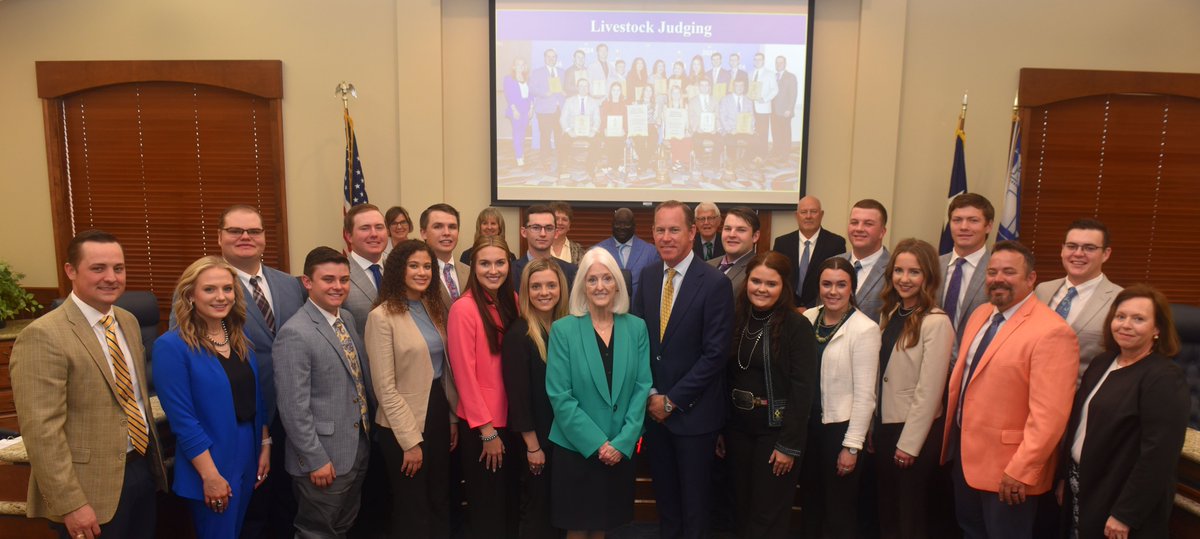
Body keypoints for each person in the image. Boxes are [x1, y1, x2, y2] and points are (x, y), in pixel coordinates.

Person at [11, 230, 167, 539]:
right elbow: (42, 432)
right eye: (98, 268)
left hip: (140, 468)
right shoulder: (44, 335)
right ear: (71, 271)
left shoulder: (128, 320)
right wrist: (71, 504)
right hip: (89, 490)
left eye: (118, 268)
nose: (111, 277)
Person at [941, 240, 1079, 538]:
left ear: (1031, 279)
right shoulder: (980, 315)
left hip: (1010, 471)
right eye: (992, 272)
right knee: (970, 532)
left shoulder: (1052, 332)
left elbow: (1049, 417)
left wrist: (1021, 469)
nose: (997, 279)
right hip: (965, 460)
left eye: (1008, 272)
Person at [190, 204, 305, 538]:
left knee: (287, 507)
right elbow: (192, 360)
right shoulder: (205, 288)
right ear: (219, 237)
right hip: (240, 423)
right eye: (235, 231)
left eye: (254, 231)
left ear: (265, 238)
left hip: (291, 417)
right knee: (248, 516)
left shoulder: (289, 284)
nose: (245, 237)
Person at [631, 200, 734, 539]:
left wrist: (672, 400)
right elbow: (639, 344)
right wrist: (651, 395)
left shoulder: (715, 283)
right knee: (667, 507)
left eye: (674, 229)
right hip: (654, 414)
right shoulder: (645, 277)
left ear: (692, 232)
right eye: (659, 230)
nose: (666, 237)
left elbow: (715, 355)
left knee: (695, 509)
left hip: (694, 417)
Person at [1060, 284, 1190, 539]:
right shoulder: (1102, 362)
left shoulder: (1164, 378)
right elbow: (1078, 423)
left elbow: (1158, 456)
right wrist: (1065, 477)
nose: (1126, 325)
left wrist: (1126, 513)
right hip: (1082, 484)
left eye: (1138, 319)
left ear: (1157, 329)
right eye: (1120, 317)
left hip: (1118, 497)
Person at [154, 256, 270, 538]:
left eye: (227, 289)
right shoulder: (171, 346)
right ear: (190, 295)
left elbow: (255, 398)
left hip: (248, 450)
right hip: (210, 459)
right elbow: (184, 422)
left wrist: (265, 443)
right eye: (210, 289)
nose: (221, 297)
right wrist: (210, 476)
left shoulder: (239, 338)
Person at [546, 248, 654, 536]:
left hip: (620, 446)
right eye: (592, 280)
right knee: (579, 528)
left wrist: (623, 442)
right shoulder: (563, 330)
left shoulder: (636, 328)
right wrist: (597, 444)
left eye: (607, 278)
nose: (600, 286)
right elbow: (560, 395)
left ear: (618, 284)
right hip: (576, 449)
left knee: (605, 525)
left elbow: (642, 387)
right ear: (582, 285)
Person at [273, 247, 376, 538]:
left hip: (356, 447)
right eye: (328, 279)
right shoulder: (296, 332)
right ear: (308, 282)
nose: (338, 287)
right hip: (323, 458)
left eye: (344, 280)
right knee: (316, 532)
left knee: (342, 526)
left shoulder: (347, 320)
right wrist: (315, 458)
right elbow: (293, 408)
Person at [365, 239, 460, 538]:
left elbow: (443, 370)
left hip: (437, 410)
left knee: (439, 497)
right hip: (402, 422)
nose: (422, 272)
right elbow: (385, 388)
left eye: (427, 266)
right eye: (414, 266)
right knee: (413, 505)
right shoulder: (381, 317)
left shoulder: (433, 308)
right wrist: (409, 442)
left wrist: (452, 418)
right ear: (398, 270)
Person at [725, 252, 818, 538]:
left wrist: (788, 445)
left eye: (771, 283)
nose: (761, 289)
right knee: (740, 509)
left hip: (775, 433)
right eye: (756, 281)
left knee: (767, 515)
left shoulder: (797, 326)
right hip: (738, 430)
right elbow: (726, 377)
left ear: (784, 287)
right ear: (746, 282)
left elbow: (803, 389)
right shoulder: (737, 318)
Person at [873, 239, 954, 539]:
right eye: (899, 271)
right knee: (887, 509)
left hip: (911, 432)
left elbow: (930, 392)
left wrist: (909, 444)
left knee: (909, 515)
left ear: (928, 277)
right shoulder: (890, 314)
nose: (904, 279)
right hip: (884, 426)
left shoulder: (937, 322)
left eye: (914, 272)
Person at [798, 257, 881, 539]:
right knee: (810, 504)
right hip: (807, 428)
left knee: (838, 511)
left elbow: (866, 395)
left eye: (841, 285)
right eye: (827, 284)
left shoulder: (865, 329)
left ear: (852, 288)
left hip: (840, 431)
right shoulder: (807, 318)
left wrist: (852, 446)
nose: (833, 291)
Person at [447, 235, 522, 537]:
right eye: (485, 263)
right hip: (485, 426)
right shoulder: (463, 309)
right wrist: (487, 430)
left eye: (500, 262)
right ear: (473, 267)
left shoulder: (512, 301)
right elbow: (463, 375)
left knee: (509, 504)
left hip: (513, 420)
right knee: (487, 508)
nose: (494, 270)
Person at [502, 258, 570, 539]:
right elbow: (518, 397)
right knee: (537, 511)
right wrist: (532, 447)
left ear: (561, 289)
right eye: (536, 286)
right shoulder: (519, 333)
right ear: (526, 291)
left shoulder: (566, 329)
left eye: (551, 285)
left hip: (565, 438)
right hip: (538, 441)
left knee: (560, 511)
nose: (544, 292)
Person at [1034, 218, 1122, 381]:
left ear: (1106, 254)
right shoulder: (1042, 290)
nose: (1078, 253)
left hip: (1082, 394)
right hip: (1032, 386)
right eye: (1072, 246)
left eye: (1089, 248)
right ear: (1062, 250)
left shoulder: (1120, 300)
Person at [937, 193, 995, 347]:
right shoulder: (933, 265)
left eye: (973, 220)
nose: (964, 227)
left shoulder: (997, 271)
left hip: (975, 362)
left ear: (989, 226)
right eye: (957, 220)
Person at [772, 196, 847, 308]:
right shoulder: (782, 243)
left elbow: (836, 281)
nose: (808, 216)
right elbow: (777, 278)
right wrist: (791, 308)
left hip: (821, 309)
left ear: (821, 215)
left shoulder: (836, 244)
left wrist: (809, 309)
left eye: (813, 212)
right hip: (786, 309)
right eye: (803, 212)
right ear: (796, 216)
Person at [838, 199, 891, 322]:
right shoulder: (832, 263)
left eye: (868, 224)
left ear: (882, 232)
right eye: (854, 222)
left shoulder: (894, 270)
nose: (859, 229)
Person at [342, 203, 389, 338]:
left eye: (379, 227)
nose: (374, 234)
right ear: (349, 236)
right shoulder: (339, 276)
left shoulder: (400, 269)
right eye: (365, 228)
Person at [595, 207, 660, 297]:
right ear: (612, 225)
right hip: (607, 308)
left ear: (634, 226)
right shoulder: (597, 251)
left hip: (641, 309)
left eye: (627, 224)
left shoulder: (651, 252)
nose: (622, 228)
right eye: (618, 224)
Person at [513, 204, 579, 289]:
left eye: (549, 228)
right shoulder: (511, 272)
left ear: (556, 233)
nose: (543, 234)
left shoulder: (571, 271)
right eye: (536, 228)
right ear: (524, 232)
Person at [420, 203, 470, 310]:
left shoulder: (469, 272)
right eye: (438, 227)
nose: (447, 233)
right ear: (423, 233)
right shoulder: (416, 275)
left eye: (452, 227)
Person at [708, 206, 760, 292]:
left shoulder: (757, 270)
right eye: (727, 229)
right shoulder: (708, 265)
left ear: (755, 236)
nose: (732, 235)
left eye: (741, 230)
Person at [529, 48, 565, 173]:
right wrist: (544, 94)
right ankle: (545, 160)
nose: (551, 59)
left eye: (553, 57)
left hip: (559, 109)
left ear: (556, 58)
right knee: (545, 136)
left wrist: (565, 93)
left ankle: (561, 159)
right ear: (544, 58)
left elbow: (565, 89)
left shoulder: (562, 72)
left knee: (559, 136)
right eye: (548, 56)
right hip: (544, 110)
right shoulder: (537, 72)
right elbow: (532, 89)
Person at [558, 77, 600, 180]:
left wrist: (593, 131)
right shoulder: (569, 101)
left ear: (588, 88)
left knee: (597, 142)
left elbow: (597, 119)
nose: (583, 88)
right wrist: (568, 131)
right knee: (562, 142)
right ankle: (562, 167)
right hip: (573, 130)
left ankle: (590, 166)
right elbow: (563, 119)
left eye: (585, 86)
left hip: (588, 131)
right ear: (577, 87)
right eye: (581, 86)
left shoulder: (594, 102)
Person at [504, 57, 534, 167]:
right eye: (518, 64)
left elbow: (531, 95)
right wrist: (514, 110)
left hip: (526, 110)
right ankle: (519, 157)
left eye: (523, 64)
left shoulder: (528, 79)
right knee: (517, 134)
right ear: (514, 66)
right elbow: (509, 95)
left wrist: (531, 109)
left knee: (522, 134)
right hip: (515, 109)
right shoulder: (508, 79)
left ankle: (520, 153)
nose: (521, 66)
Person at [719, 80, 755, 171]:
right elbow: (723, 117)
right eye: (737, 86)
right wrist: (730, 130)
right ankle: (732, 161)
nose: (739, 88)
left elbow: (752, 116)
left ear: (744, 87)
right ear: (733, 87)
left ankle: (745, 160)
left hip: (744, 130)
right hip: (731, 129)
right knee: (731, 141)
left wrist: (751, 128)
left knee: (756, 140)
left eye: (741, 85)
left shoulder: (748, 100)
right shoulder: (725, 99)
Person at [748, 53, 778, 161]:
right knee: (753, 131)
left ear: (763, 61)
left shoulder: (769, 74)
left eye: (759, 60)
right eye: (755, 60)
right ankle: (754, 153)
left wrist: (765, 99)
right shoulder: (751, 73)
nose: (757, 61)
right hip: (751, 107)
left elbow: (775, 90)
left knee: (763, 132)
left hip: (764, 107)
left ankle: (762, 154)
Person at [770, 55, 798, 161]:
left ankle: (785, 153)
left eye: (781, 62)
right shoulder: (773, 76)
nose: (778, 65)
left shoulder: (791, 77)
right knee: (775, 131)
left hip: (785, 111)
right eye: (777, 63)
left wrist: (790, 109)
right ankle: (776, 151)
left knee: (785, 133)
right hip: (773, 111)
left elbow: (793, 94)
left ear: (785, 64)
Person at [598, 82, 628, 177]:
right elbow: (602, 119)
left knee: (619, 140)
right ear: (611, 91)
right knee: (611, 141)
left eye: (618, 90)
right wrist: (604, 129)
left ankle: (616, 165)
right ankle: (612, 165)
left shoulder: (624, 105)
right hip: (608, 131)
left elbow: (626, 120)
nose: (616, 92)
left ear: (620, 92)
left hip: (620, 131)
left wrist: (625, 130)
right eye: (614, 90)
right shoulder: (606, 104)